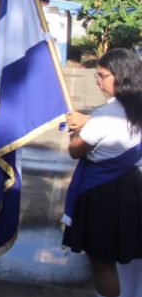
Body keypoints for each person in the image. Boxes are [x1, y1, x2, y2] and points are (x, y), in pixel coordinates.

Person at [63, 48, 142, 297]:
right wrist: (88, 120)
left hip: (103, 194)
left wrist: (76, 127)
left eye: (101, 75)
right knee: (130, 258)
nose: (97, 81)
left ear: (120, 76)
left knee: (102, 263)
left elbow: (75, 150)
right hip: (132, 189)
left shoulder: (105, 115)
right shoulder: (134, 107)